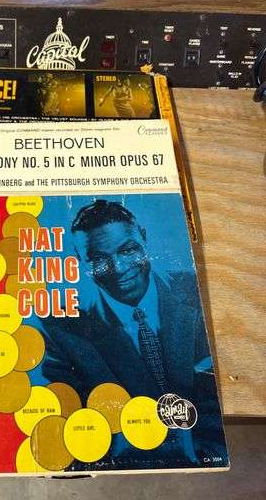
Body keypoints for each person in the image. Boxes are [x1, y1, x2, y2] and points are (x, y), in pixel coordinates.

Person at [41, 199, 227, 469]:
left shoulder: (196, 288)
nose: (119, 268)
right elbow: (81, 437)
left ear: (144, 238)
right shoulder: (62, 331)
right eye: (99, 260)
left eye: (128, 250)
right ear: (80, 262)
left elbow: (215, 404)